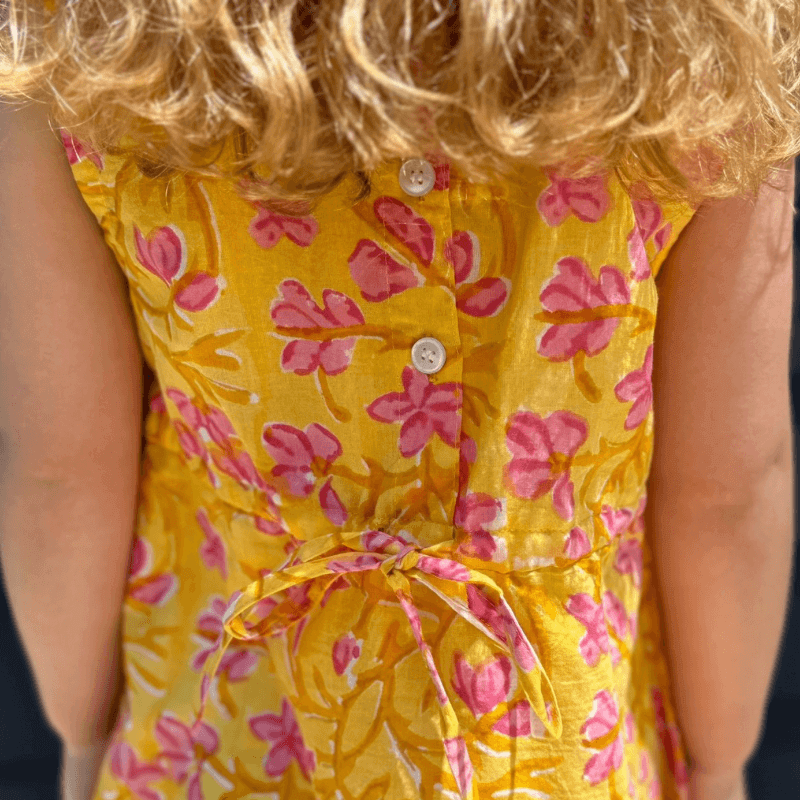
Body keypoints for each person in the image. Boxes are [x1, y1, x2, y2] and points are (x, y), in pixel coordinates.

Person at [0, 1, 798, 799]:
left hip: (223, 728)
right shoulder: (714, 37)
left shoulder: (79, 37)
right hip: (561, 741)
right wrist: (720, 757)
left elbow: (61, 474)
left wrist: (85, 732)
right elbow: (727, 489)